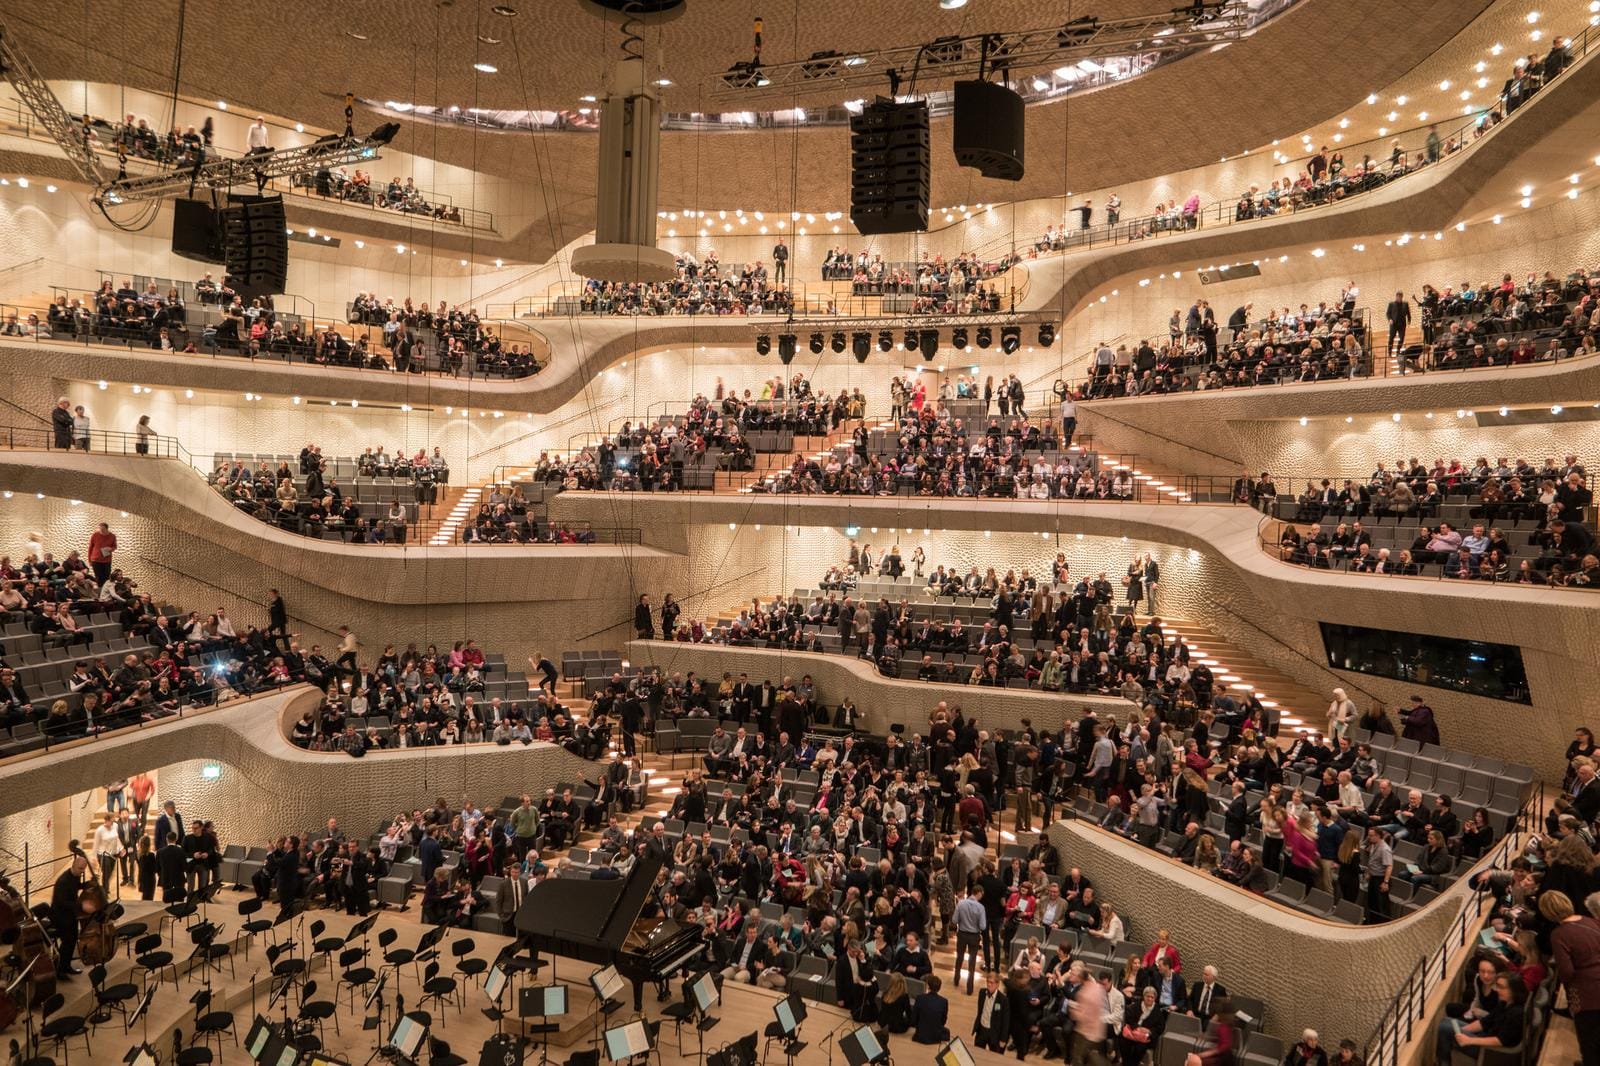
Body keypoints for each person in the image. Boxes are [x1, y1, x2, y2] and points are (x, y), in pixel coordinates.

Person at [1548, 890, 1600, 1066]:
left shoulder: (1559, 934)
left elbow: (1567, 971)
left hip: (1588, 995)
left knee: (1589, 1043)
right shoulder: (1590, 920)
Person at [50, 851, 90, 977]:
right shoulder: (63, 881)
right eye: (80, 868)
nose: (82, 871)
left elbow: (75, 887)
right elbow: (62, 902)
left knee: (72, 939)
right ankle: (60, 969)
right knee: (68, 941)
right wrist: (81, 906)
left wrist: (87, 885)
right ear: (73, 866)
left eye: (84, 869)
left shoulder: (75, 875)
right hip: (60, 916)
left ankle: (66, 966)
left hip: (69, 914)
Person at [974, 969, 1011, 1052]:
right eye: (988, 982)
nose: (989, 984)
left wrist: (1003, 1039)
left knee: (995, 1055)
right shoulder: (982, 992)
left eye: (992, 982)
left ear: (997, 984)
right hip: (981, 1030)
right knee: (977, 1052)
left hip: (994, 1033)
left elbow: (1006, 1021)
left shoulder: (1003, 1000)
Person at [912, 974, 951, 1044]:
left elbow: (914, 1017)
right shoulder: (944, 1001)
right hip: (935, 1037)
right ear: (939, 988)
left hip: (920, 1034)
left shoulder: (920, 998)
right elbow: (943, 1020)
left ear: (928, 986)